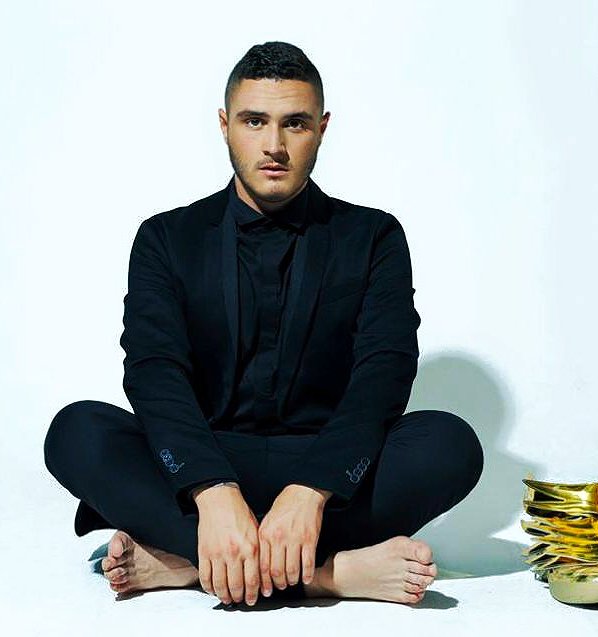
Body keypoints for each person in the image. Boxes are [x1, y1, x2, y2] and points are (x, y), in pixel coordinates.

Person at [43, 41, 484, 607]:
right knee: (76, 431)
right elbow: (155, 370)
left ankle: (191, 563)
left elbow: (384, 373)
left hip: (325, 472)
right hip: (207, 463)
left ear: (321, 129)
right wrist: (212, 491)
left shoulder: (374, 236)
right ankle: (327, 573)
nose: (274, 145)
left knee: (450, 444)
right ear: (225, 125)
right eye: (254, 121)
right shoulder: (165, 237)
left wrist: (311, 490)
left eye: (294, 123)